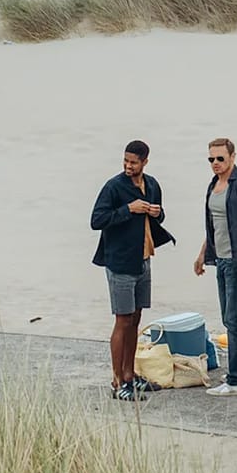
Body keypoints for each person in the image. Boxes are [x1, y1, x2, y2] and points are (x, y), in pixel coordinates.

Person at [91, 139, 171, 400]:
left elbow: (159, 217)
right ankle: (117, 382)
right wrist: (128, 209)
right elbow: (97, 220)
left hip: (143, 259)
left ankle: (130, 376)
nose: (128, 165)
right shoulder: (114, 187)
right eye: (125, 161)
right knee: (122, 320)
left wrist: (157, 213)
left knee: (135, 318)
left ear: (144, 162)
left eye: (133, 162)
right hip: (119, 262)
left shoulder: (152, 185)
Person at [193, 137, 237, 397]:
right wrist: (202, 254)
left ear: (233, 157)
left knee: (235, 319)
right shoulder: (214, 185)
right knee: (228, 318)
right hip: (220, 259)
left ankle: (235, 380)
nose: (215, 163)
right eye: (211, 159)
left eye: (220, 158)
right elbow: (215, 225)